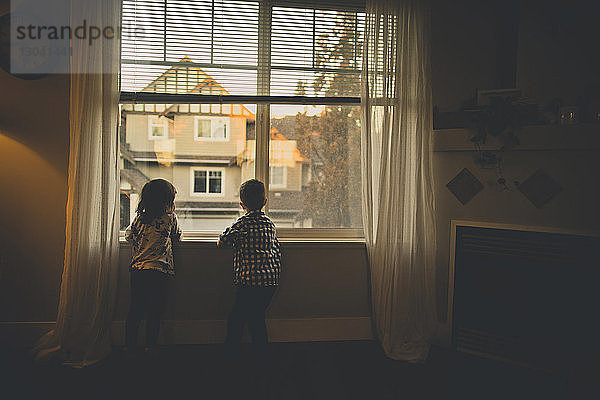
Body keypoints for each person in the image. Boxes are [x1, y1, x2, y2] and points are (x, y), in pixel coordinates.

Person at [217, 179, 281, 360]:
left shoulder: (242, 224)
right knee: (256, 317)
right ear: (265, 202)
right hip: (270, 282)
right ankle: (261, 353)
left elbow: (223, 241)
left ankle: (231, 352)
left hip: (249, 281)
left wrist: (221, 239)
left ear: (241, 204)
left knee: (236, 318)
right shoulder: (270, 224)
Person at [124, 178, 181, 352]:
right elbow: (177, 236)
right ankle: (151, 345)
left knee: (135, 309)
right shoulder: (170, 218)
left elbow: (129, 236)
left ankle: (130, 345)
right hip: (159, 271)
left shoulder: (140, 218)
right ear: (167, 201)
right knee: (154, 312)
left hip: (139, 270)